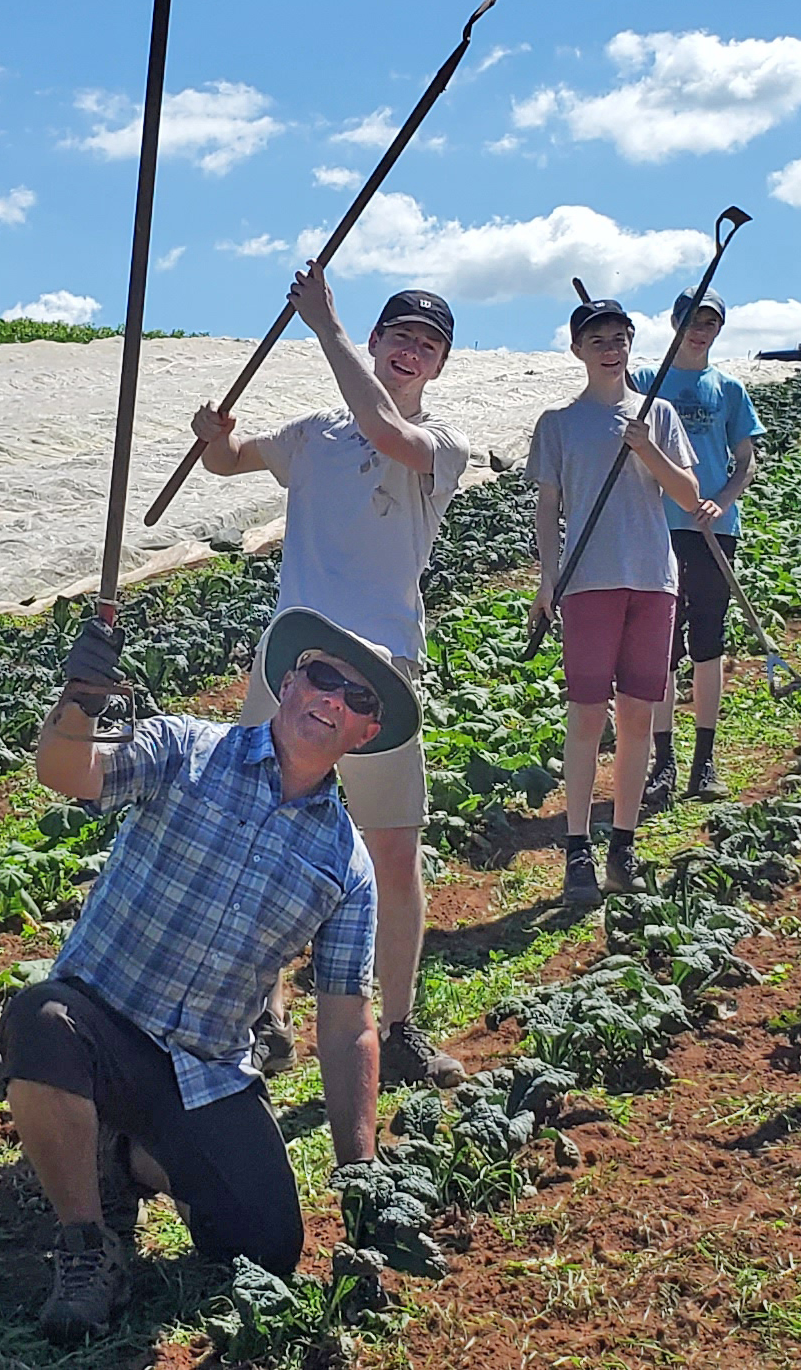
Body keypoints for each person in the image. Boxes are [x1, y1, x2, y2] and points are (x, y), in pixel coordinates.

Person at [3, 606, 391, 1341]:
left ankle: (115, 1156)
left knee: (268, 1245)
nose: (333, 697)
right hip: (101, 1025)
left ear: (365, 732)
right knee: (39, 1021)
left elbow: (347, 1027)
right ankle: (88, 1246)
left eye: (358, 697)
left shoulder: (346, 865)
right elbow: (67, 771)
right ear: (287, 683)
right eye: (322, 675)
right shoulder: (187, 749)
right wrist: (81, 699)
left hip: (203, 1071)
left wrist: (360, 1176)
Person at [188, 268, 474, 1085]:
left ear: (441, 364)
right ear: (379, 342)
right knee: (255, 836)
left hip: (380, 670)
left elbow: (387, 433)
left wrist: (325, 325)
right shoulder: (314, 434)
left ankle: (402, 1025)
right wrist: (213, 433)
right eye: (401, 336)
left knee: (392, 847)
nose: (412, 350)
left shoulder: (438, 447)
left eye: (429, 343)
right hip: (292, 663)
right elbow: (230, 461)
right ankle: (263, 1017)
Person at [531, 294, 716, 907]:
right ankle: (578, 846)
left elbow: (689, 495)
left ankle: (624, 845)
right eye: (599, 341)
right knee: (587, 716)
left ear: (632, 344)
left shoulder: (657, 414)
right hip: (588, 584)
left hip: (653, 581)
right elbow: (549, 508)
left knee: (638, 717)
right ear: (578, 350)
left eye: (620, 339)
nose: (612, 351)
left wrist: (646, 448)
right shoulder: (557, 424)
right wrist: (546, 581)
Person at [631, 292, 764, 805]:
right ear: (673, 321)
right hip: (655, 529)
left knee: (709, 642)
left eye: (710, 322)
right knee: (660, 647)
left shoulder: (727, 389)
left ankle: (704, 762)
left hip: (713, 530)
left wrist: (720, 501)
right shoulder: (645, 383)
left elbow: (746, 459)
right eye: (691, 320)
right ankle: (662, 764)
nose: (699, 330)